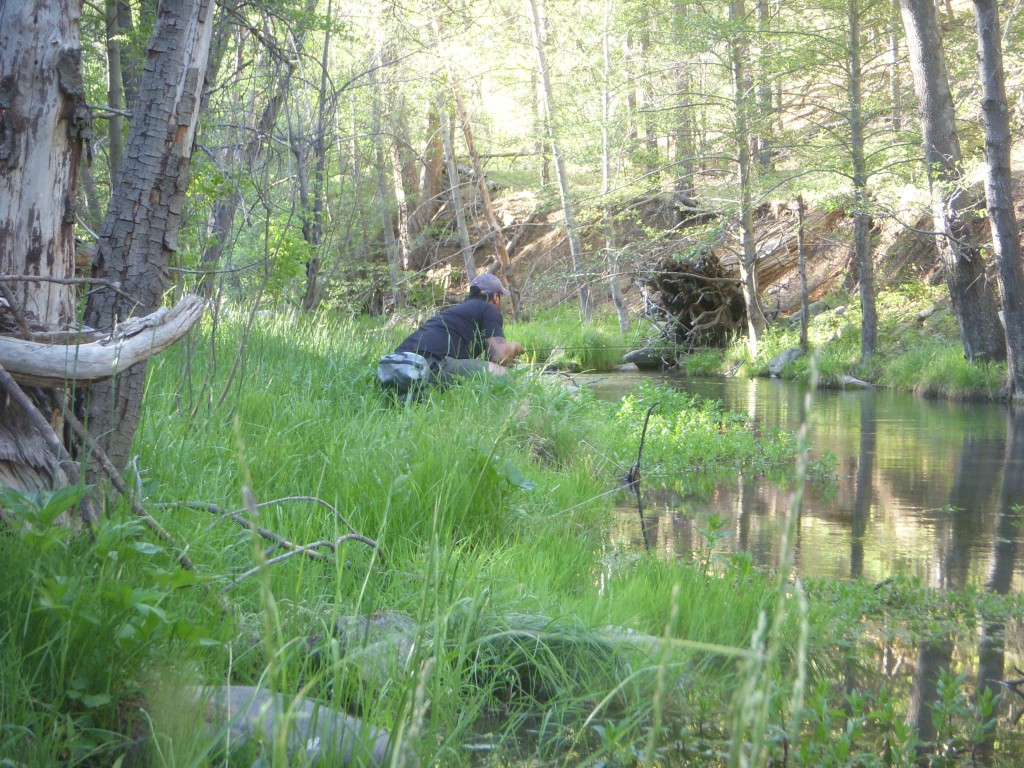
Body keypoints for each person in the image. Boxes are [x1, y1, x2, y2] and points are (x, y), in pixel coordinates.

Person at [377, 273, 525, 396]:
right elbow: (502, 355)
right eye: (501, 298)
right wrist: (515, 348)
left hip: (398, 363)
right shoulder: (488, 308)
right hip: (432, 363)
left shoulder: (455, 312)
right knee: (507, 376)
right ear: (496, 297)